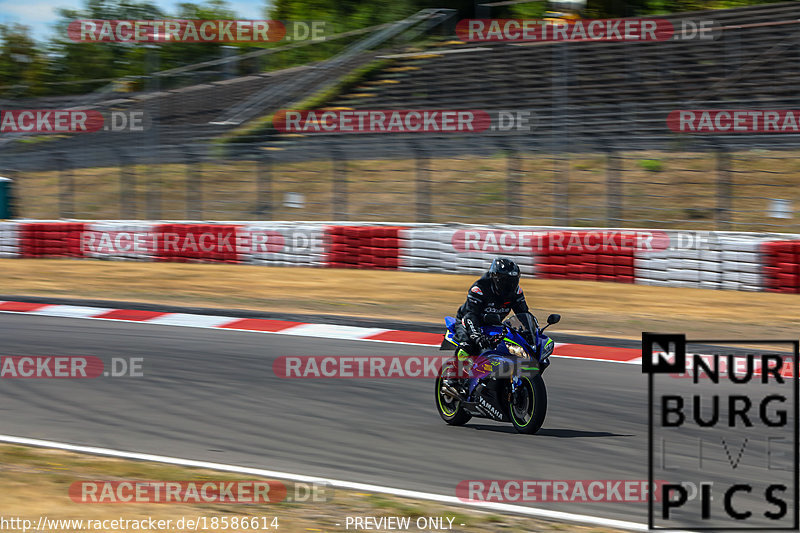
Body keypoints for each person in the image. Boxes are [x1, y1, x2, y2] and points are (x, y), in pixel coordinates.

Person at [454, 257, 536, 359]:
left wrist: (533, 333)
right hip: (467, 322)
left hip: (494, 324)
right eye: (505, 281)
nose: (509, 285)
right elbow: (470, 316)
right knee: (466, 348)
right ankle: (455, 371)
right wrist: (477, 336)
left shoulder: (516, 292)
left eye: (513, 281)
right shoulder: (479, 289)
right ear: (495, 278)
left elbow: (523, 314)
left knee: (505, 349)